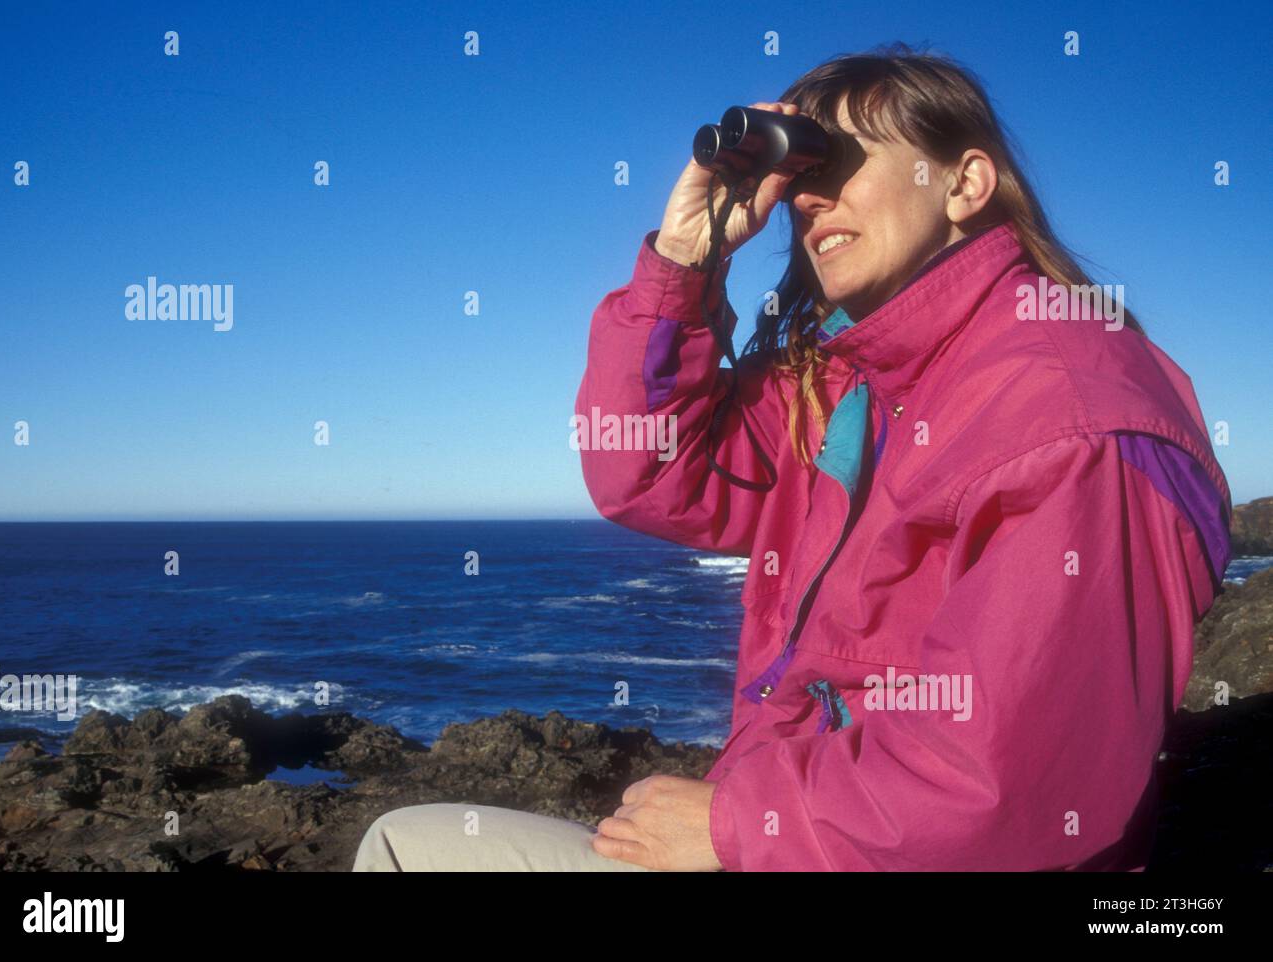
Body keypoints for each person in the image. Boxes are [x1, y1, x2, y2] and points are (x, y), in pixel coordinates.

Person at [353, 44, 1231, 872]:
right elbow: (648, 472)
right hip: (813, 844)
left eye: (842, 163)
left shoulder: (1066, 414)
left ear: (963, 183)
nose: (808, 200)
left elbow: (1014, 779)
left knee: (405, 847)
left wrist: (734, 824)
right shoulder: (855, 384)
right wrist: (684, 264)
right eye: (803, 172)